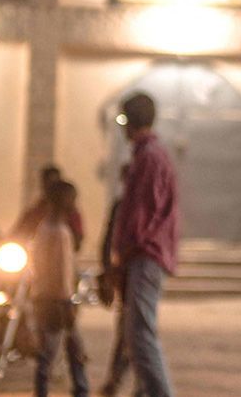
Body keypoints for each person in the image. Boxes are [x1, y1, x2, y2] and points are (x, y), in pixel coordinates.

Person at [111, 93, 179, 397]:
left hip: (145, 255)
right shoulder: (146, 155)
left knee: (140, 335)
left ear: (130, 121)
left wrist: (122, 253)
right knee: (134, 334)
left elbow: (143, 214)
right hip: (142, 254)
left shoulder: (151, 156)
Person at [31, 179, 90, 397]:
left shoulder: (43, 229)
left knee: (63, 350)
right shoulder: (61, 233)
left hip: (43, 297)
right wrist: (67, 305)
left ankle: (79, 389)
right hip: (59, 302)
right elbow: (63, 273)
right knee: (58, 353)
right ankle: (78, 390)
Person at [97, 165, 133, 397]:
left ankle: (117, 377)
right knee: (128, 330)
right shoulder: (121, 206)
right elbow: (108, 240)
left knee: (132, 331)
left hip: (137, 276)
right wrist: (107, 273)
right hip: (125, 276)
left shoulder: (143, 208)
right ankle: (116, 377)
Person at [14, 164, 86, 252]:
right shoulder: (35, 211)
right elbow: (19, 232)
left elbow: (76, 242)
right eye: (46, 183)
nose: (49, 188)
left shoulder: (71, 215)